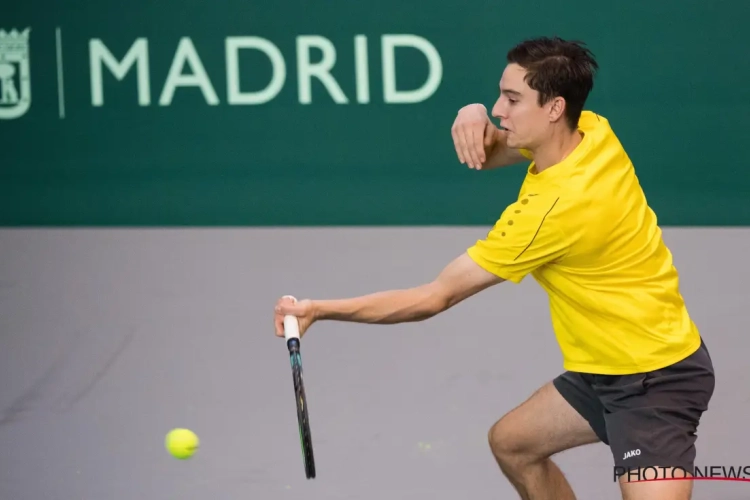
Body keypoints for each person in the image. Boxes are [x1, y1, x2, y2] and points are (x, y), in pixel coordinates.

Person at [273, 36, 715, 500]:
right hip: (605, 368)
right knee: (513, 444)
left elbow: (433, 297)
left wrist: (318, 309)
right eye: (499, 94)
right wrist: (472, 112)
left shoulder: (554, 212)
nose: (498, 109)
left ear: (553, 108)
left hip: (656, 382)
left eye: (512, 99)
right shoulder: (590, 130)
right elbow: (487, 151)